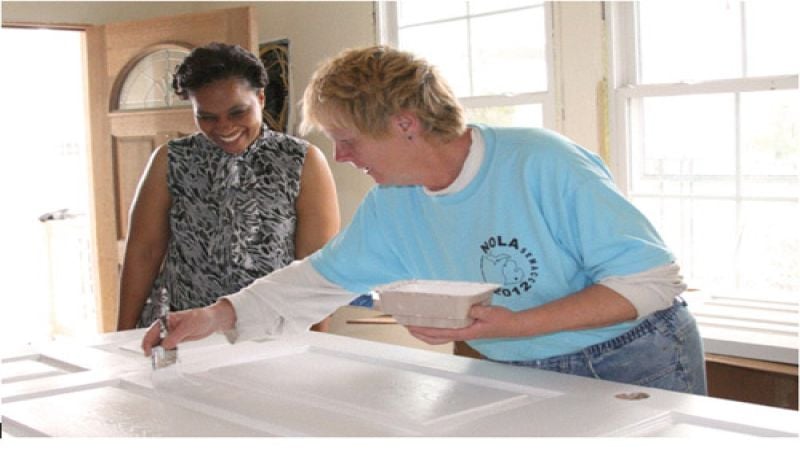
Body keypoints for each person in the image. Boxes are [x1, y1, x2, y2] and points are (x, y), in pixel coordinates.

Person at [142, 45, 707, 395]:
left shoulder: (542, 162)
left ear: (405, 124)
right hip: (513, 366)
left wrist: (513, 324)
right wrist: (216, 315)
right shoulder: (393, 202)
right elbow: (315, 280)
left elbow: (651, 281)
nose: (341, 157)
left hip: (629, 359)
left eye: (348, 139)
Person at [118, 42, 340, 331]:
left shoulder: (301, 161)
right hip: (182, 333)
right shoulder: (171, 160)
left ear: (261, 98)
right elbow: (144, 252)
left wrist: (315, 342)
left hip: (271, 334)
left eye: (237, 112)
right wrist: (122, 336)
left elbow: (316, 267)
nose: (224, 127)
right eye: (207, 117)